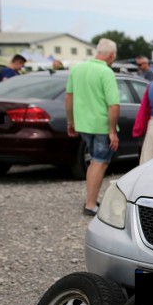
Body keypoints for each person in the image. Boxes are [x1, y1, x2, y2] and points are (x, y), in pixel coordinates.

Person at [65, 39, 121, 216]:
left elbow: (69, 97)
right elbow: (114, 105)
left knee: (93, 162)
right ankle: (90, 204)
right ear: (111, 55)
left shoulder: (77, 69)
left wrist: (70, 121)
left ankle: (90, 199)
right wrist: (112, 131)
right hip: (101, 126)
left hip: (83, 125)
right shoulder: (106, 72)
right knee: (100, 162)